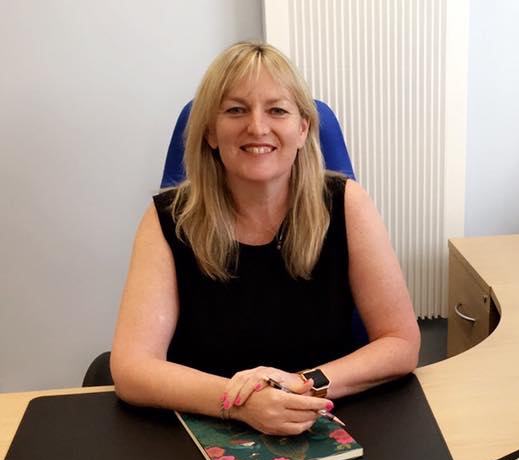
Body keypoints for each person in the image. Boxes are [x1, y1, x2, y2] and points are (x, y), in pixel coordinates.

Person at [111, 42, 420, 436]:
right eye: (236, 110)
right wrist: (241, 403)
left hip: (324, 421)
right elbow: (132, 368)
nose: (257, 127)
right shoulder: (168, 218)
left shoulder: (347, 204)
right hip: (204, 429)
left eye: (277, 110)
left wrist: (300, 384)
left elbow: (400, 342)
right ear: (210, 131)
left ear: (303, 129)